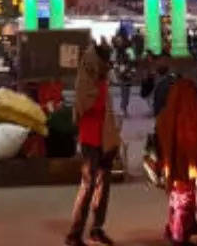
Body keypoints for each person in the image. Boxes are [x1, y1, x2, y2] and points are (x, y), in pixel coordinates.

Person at [67, 45, 120, 246]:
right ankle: (74, 234)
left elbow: (107, 110)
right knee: (88, 186)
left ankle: (97, 229)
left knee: (103, 186)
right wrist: (99, 88)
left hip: (105, 140)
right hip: (90, 140)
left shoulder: (101, 79)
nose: (108, 65)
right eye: (105, 61)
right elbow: (84, 105)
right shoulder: (86, 80)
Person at [155, 76, 197, 245]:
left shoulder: (165, 114)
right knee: (185, 198)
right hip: (184, 164)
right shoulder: (188, 114)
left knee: (175, 197)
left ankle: (172, 228)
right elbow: (192, 139)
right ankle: (179, 234)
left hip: (171, 164)